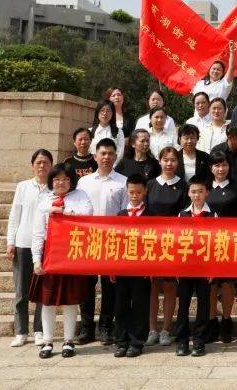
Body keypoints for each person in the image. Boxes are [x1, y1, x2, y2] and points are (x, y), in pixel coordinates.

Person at [30, 162, 93, 359]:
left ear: (71, 181)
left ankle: (68, 340)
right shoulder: (44, 200)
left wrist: (63, 213)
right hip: (50, 255)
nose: (61, 183)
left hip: (72, 253)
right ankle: (48, 341)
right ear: (51, 181)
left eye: (65, 179)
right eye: (56, 179)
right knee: (47, 301)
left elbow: (88, 216)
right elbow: (38, 232)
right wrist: (36, 259)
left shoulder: (81, 196)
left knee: (70, 300)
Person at [76, 139, 127, 345]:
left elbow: (125, 214)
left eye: (110, 153)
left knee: (110, 286)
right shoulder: (84, 182)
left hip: (112, 241)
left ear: (116, 156)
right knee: (86, 286)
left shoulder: (122, 182)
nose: (106, 157)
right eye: (102, 153)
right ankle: (87, 328)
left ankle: (106, 326)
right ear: (95, 156)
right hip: (89, 240)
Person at [7, 149, 52, 347]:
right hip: (23, 243)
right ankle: (21, 331)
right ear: (33, 165)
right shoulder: (23, 187)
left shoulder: (54, 189)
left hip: (46, 245)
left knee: (42, 290)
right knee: (21, 290)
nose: (42, 166)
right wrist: (11, 242)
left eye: (46, 162)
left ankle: (39, 330)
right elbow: (14, 215)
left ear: (51, 165)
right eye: (39, 162)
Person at [145, 147, 187, 346]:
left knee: (170, 286)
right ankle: (152, 328)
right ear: (159, 161)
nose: (169, 164)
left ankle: (166, 329)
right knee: (153, 285)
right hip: (152, 242)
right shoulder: (150, 184)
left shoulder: (183, 186)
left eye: (173, 160)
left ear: (178, 163)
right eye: (165, 160)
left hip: (174, 242)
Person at [173, 175, 215, 357]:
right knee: (183, 305)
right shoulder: (182, 214)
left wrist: (213, 268)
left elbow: (217, 242)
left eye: (200, 191)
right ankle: (182, 341)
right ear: (188, 193)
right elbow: (175, 242)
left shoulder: (213, 214)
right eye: (193, 192)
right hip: (185, 267)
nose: (197, 195)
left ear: (207, 193)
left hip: (205, 268)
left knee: (204, 305)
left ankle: (199, 341)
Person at [204, 151, 237, 343]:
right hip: (208, 243)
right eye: (217, 165)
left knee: (227, 283)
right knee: (210, 284)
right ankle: (211, 321)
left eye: (224, 165)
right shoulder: (204, 188)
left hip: (230, 242)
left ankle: (226, 320)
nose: (221, 169)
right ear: (211, 168)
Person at [112, 174, 151, 358]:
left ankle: (137, 341)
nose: (134, 196)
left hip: (143, 269)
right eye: (131, 192)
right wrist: (112, 267)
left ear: (145, 192)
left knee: (140, 305)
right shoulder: (120, 215)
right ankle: (121, 341)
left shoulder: (151, 214)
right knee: (121, 305)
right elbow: (114, 242)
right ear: (126, 192)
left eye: (138, 192)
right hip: (122, 268)